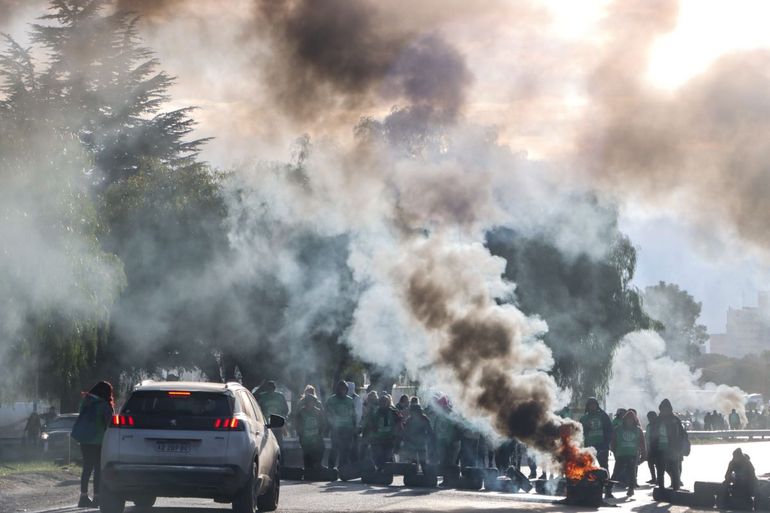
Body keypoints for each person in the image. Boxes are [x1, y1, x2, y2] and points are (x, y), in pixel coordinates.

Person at [71, 381, 115, 508]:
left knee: (87, 468)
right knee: (98, 469)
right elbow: (109, 424)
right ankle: (97, 497)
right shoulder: (104, 405)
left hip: (84, 440)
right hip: (98, 441)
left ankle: (83, 497)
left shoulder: (86, 401)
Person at [649, 398, 686, 491]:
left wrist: (680, 448)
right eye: (663, 409)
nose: (665, 411)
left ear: (670, 409)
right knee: (660, 471)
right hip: (660, 449)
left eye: (667, 409)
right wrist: (652, 451)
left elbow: (682, 434)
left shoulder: (675, 420)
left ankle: (675, 488)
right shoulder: (657, 421)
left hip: (673, 449)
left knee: (675, 469)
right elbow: (652, 437)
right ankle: (661, 488)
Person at [611, 410, 646, 497]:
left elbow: (642, 443)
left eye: (631, 420)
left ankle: (631, 489)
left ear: (634, 420)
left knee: (632, 472)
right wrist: (614, 451)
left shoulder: (638, 430)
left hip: (632, 454)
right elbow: (613, 442)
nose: (629, 421)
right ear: (624, 420)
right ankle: (608, 489)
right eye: (627, 419)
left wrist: (644, 454)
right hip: (621, 454)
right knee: (616, 473)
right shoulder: (618, 429)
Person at [293, 386, 327, 470]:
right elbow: (297, 423)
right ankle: (308, 470)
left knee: (321, 448)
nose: (311, 403)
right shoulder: (301, 412)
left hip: (316, 437)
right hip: (305, 438)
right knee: (307, 453)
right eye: (309, 402)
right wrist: (300, 433)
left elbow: (323, 423)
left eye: (312, 401)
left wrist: (320, 433)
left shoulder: (318, 411)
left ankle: (317, 465)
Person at [325, 380, 357, 469]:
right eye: (341, 389)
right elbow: (327, 414)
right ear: (337, 390)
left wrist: (354, 427)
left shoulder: (350, 400)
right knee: (334, 449)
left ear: (346, 390)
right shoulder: (331, 400)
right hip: (336, 429)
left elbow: (353, 415)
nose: (342, 391)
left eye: (344, 389)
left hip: (348, 428)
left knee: (346, 450)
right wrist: (330, 426)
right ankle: (330, 468)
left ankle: (343, 468)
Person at [366, 394, 401, 470]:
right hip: (377, 438)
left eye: (385, 402)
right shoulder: (375, 412)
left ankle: (385, 471)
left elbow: (399, 422)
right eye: (381, 402)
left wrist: (396, 434)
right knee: (376, 456)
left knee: (386, 456)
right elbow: (369, 422)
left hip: (389, 438)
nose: (383, 404)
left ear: (388, 403)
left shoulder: (393, 412)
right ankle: (379, 469)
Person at [399, 397, 433, 472]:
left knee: (423, 461)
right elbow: (405, 431)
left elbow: (430, 431)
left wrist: (426, 439)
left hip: (421, 443)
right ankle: (414, 475)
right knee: (413, 462)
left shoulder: (424, 419)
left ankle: (425, 475)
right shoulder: (409, 420)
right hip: (412, 443)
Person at [580, 398, 613, 471]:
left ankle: (606, 481)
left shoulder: (603, 416)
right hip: (589, 446)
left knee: (604, 467)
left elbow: (609, 429)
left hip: (602, 445)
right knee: (588, 467)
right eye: (590, 405)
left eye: (594, 405)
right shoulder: (584, 418)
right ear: (587, 407)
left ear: (597, 406)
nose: (592, 407)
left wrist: (606, 443)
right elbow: (579, 433)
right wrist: (586, 427)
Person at [257, 381, 289, 449]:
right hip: (268, 424)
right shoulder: (262, 397)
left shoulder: (280, 396)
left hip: (276, 424)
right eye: (269, 389)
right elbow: (258, 409)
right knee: (271, 444)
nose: (270, 391)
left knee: (277, 444)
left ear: (274, 389)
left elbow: (286, 410)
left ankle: (279, 458)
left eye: (271, 389)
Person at [645, 411, 658, 484]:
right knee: (650, 463)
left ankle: (658, 479)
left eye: (650, 417)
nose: (649, 419)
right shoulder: (648, 426)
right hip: (650, 447)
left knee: (657, 464)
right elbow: (647, 436)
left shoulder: (657, 425)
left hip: (656, 448)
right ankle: (654, 478)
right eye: (649, 418)